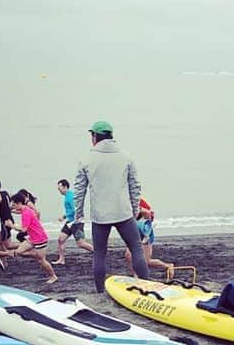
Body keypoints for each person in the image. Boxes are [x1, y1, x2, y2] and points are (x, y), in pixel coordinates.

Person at [73, 120, 151, 292]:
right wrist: (134, 209)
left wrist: (78, 215)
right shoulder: (126, 157)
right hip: (123, 213)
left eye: (91, 135)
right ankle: (147, 287)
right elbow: (135, 186)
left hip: (100, 216)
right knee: (136, 249)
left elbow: (79, 191)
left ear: (95, 137)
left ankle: (100, 291)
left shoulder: (86, 159)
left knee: (100, 254)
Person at [10, 192, 58, 284]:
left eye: (14, 204)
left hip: (40, 238)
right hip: (32, 238)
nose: (13, 206)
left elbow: (23, 230)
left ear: (19, 203)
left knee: (42, 260)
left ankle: (53, 276)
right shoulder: (25, 209)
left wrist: (12, 226)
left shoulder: (26, 213)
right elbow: (19, 212)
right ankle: (36, 255)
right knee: (19, 251)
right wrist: (10, 211)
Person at [124, 203, 173, 279]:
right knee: (128, 256)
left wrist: (146, 231)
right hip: (133, 232)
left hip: (144, 233)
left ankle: (168, 266)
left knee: (145, 261)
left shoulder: (133, 203)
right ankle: (135, 276)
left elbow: (147, 213)